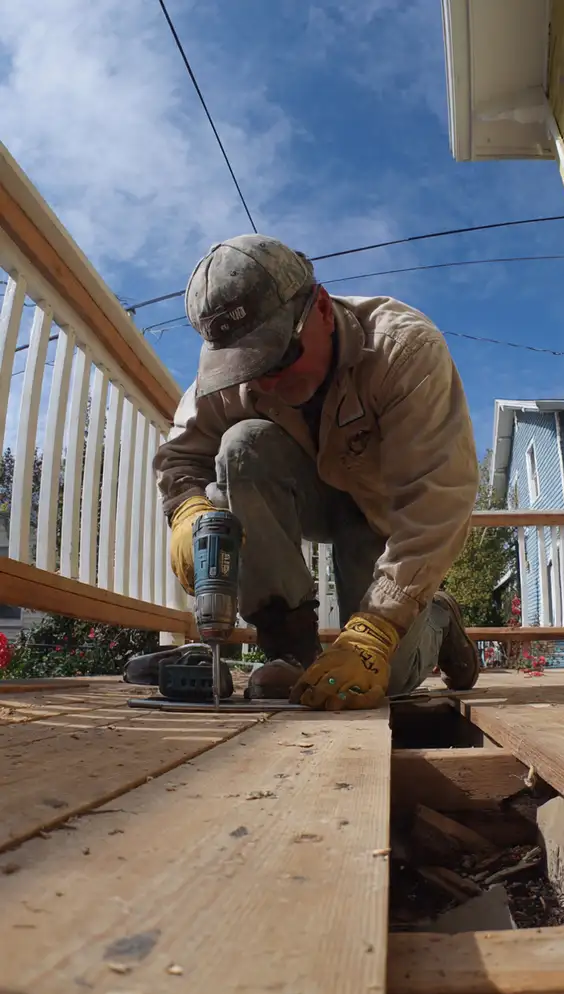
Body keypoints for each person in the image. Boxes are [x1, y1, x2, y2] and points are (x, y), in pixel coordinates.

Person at [153, 234, 480, 710]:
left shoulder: (404, 351)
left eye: (278, 356)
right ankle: (289, 647)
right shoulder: (234, 380)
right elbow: (180, 454)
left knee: (388, 677)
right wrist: (186, 509)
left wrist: (377, 630)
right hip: (307, 492)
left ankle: (438, 619)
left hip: (380, 516)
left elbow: (439, 496)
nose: (266, 380)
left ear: (322, 310)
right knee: (241, 446)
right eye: (248, 366)